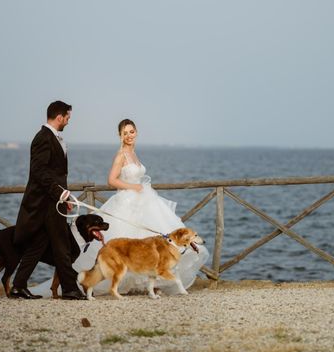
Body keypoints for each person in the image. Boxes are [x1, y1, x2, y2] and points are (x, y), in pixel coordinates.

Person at [32, 118, 209, 297]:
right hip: (127, 201)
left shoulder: (134, 153)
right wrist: (134, 187)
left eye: (131, 132)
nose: (129, 136)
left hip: (145, 200)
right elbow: (111, 180)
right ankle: (84, 281)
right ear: (120, 136)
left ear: (136, 132)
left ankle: (151, 284)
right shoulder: (121, 155)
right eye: (125, 133)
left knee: (153, 243)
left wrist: (141, 188)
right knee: (130, 243)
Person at [11, 100, 86, 300]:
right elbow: (39, 171)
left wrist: (65, 196)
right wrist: (59, 193)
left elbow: (54, 174)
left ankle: (18, 286)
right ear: (59, 116)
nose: (69, 122)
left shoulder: (52, 138)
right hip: (45, 204)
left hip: (54, 201)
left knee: (38, 245)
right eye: (68, 118)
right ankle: (70, 289)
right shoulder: (43, 138)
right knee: (62, 245)